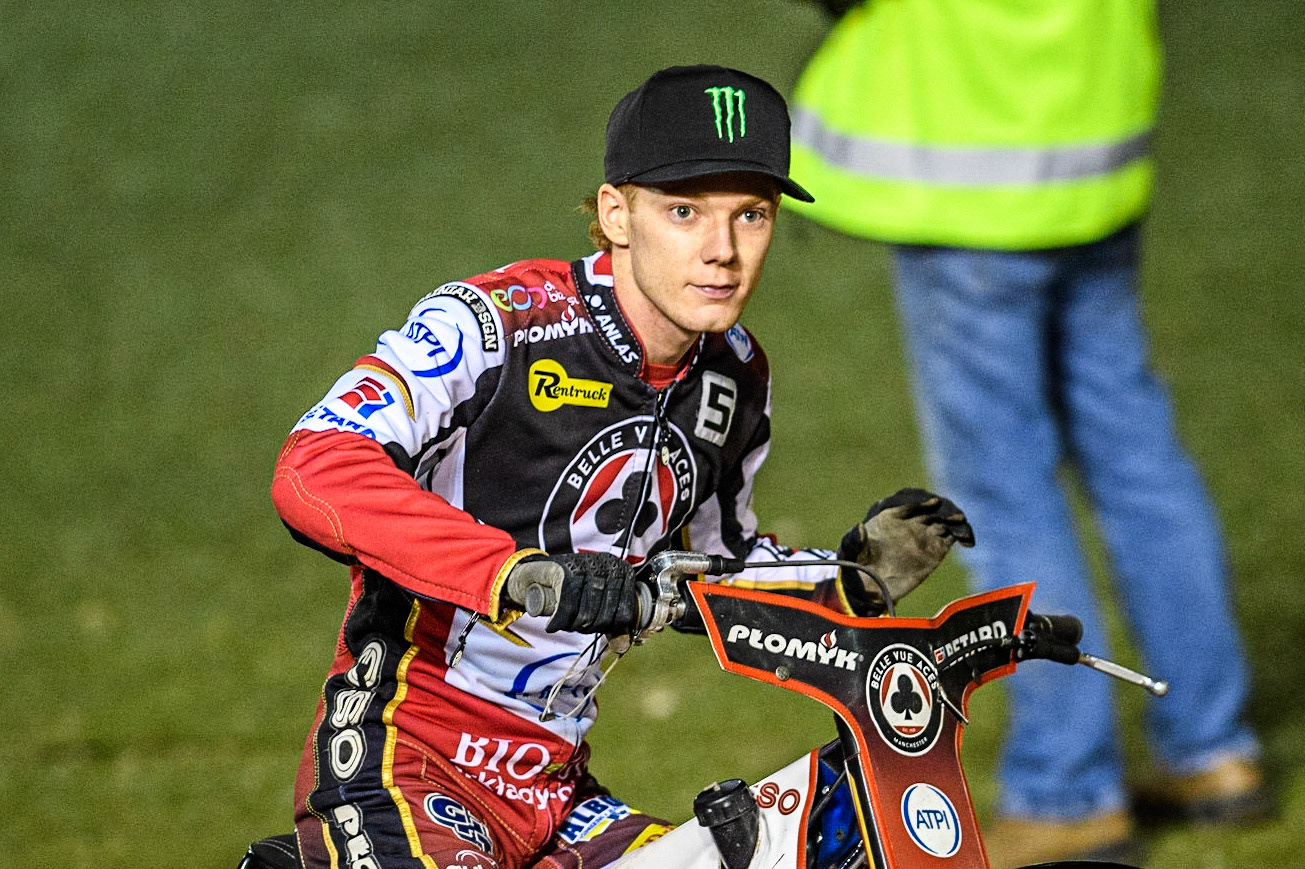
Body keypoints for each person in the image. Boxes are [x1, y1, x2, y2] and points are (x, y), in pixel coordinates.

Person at [262, 64, 974, 869]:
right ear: (616, 213)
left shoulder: (733, 376)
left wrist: (845, 581)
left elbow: (711, 569)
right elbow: (315, 464)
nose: (723, 252)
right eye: (683, 211)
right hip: (406, 758)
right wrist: (518, 574)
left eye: (751, 215)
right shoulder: (495, 322)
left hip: (557, 789)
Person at [787, 2, 1270, 865]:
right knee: (1136, 456)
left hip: (969, 166)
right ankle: (1211, 749)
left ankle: (1066, 792)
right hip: (1094, 140)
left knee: (1001, 492)